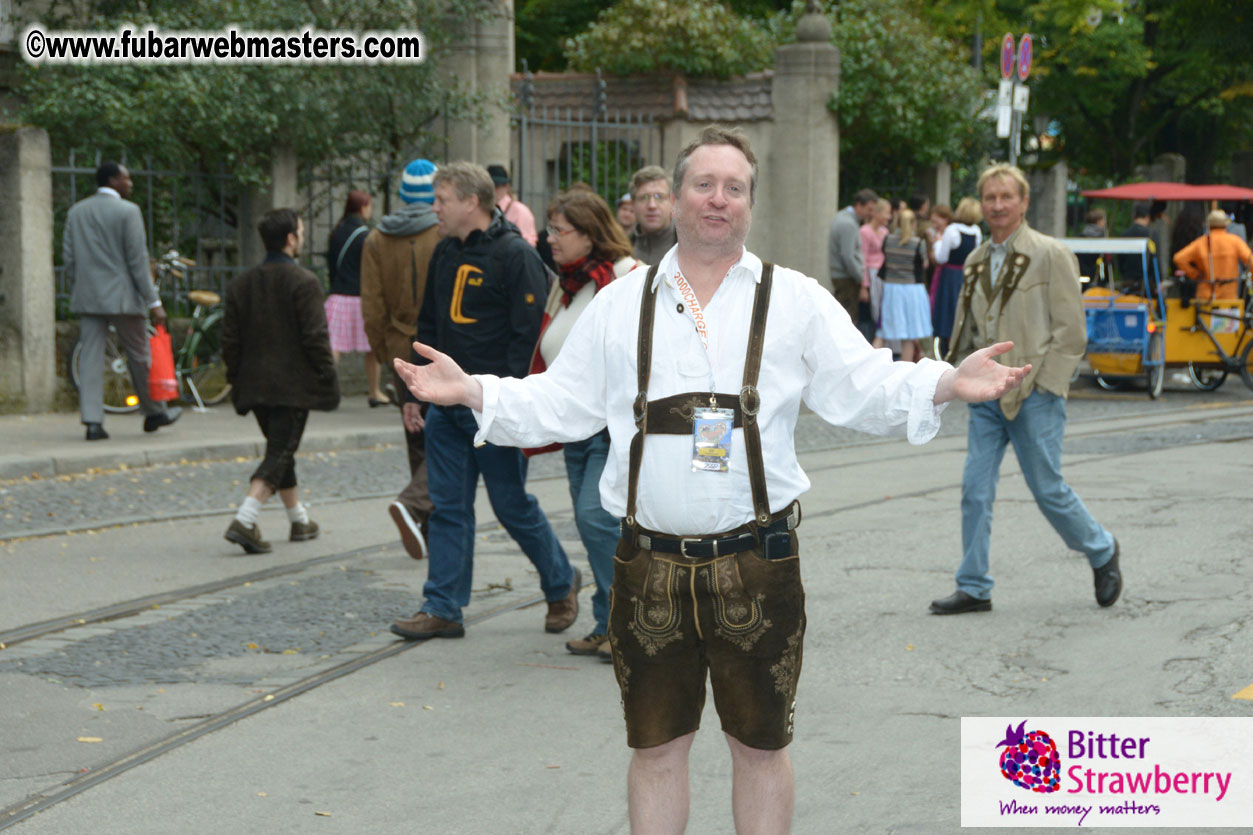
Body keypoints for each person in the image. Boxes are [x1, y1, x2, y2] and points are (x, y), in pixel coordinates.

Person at [393, 126, 1027, 831]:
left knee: (758, 748)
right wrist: (475, 390)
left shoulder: (795, 299)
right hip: (646, 563)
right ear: (672, 196)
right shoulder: (622, 302)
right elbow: (562, 400)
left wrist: (943, 381)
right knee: (655, 749)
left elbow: (862, 383)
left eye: (733, 187)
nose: (717, 200)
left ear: (750, 202)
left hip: (758, 561)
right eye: (703, 184)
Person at [389, 161, 580, 641]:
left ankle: (561, 582)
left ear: (470, 202)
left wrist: (509, 401)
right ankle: (443, 607)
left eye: (442, 199)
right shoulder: (444, 252)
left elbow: (529, 336)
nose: (434, 208)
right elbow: (428, 325)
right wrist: (416, 392)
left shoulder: (515, 255)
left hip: (494, 407)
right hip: (445, 410)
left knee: (510, 505)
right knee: (448, 507)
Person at [932, 163, 1121, 616]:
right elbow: (969, 329)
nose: (998, 205)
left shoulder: (1051, 253)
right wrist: (955, 378)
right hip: (987, 395)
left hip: (1035, 392)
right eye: (990, 198)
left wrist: (1049, 385)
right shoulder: (975, 260)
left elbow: (1071, 333)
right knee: (975, 488)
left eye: (1006, 197)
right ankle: (974, 584)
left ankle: (1101, 549)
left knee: (1047, 488)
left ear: (1024, 202)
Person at [533, 189, 639, 660]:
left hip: (614, 426)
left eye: (560, 230)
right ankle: (608, 620)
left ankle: (629, 624)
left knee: (596, 517)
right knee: (592, 520)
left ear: (589, 232)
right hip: (577, 425)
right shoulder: (567, 283)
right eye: (549, 229)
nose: (549, 238)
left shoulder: (627, 276)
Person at [221, 209, 339, 554]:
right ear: (291, 239)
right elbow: (315, 337)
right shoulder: (304, 282)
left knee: (280, 449)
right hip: (292, 388)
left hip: (254, 386)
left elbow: (229, 341)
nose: (301, 237)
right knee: (280, 451)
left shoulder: (241, 284)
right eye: (300, 231)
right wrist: (327, 377)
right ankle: (245, 518)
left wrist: (236, 378)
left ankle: (299, 520)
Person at [65, 161, 182, 441]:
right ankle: (154, 411)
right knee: (140, 355)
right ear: (113, 180)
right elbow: (137, 261)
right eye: (127, 178)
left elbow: (69, 259)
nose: (130, 183)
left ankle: (93, 422)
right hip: (123, 298)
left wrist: (82, 285)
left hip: (89, 296)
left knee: (91, 359)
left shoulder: (76, 211)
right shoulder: (129, 212)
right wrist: (154, 302)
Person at [361, 158, 441, 560]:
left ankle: (421, 520)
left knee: (417, 440)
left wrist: (383, 351)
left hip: (397, 346)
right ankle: (419, 510)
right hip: (441, 348)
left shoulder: (377, 238)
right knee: (447, 438)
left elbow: (372, 308)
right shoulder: (443, 232)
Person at [325, 190, 389, 407]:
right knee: (372, 348)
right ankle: (374, 392)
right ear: (363, 207)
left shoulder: (335, 232)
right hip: (361, 298)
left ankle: (328, 391)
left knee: (333, 347)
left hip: (338, 297)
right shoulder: (366, 236)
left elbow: (331, 266)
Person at [879, 208, 933, 362]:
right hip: (912, 289)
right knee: (909, 334)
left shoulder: (887, 240)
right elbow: (924, 265)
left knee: (882, 331)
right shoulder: (918, 243)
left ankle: (872, 366)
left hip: (891, 288)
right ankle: (906, 368)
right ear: (913, 223)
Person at [932, 197, 982, 357]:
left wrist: (937, 243)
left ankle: (944, 350)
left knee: (945, 312)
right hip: (966, 276)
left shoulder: (952, 230)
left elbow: (941, 258)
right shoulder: (977, 231)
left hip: (948, 277)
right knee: (959, 312)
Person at [1172, 210, 1253, 302]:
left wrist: (1195, 274)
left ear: (1209, 225)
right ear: (1226, 225)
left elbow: (1178, 258)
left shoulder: (1201, 242)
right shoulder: (1235, 242)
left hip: (1205, 298)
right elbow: (1250, 260)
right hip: (1229, 297)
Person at [828, 188, 878, 322]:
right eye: (869, 209)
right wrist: (860, 278)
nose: (871, 214)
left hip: (843, 276)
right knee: (848, 320)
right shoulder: (848, 224)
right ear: (859, 205)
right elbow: (848, 256)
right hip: (847, 279)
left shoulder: (842, 217)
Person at [629, 165, 677, 265]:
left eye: (659, 197)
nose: (652, 205)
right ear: (633, 204)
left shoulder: (690, 247)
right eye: (644, 197)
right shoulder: (623, 250)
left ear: (672, 202)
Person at [862, 198, 891, 349]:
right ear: (878, 213)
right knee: (874, 310)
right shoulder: (865, 231)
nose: (889, 217)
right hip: (872, 274)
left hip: (884, 275)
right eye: (887, 213)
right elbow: (863, 259)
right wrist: (864, 285)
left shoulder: (885, 231)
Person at [487, 164, 538, 247]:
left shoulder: (519, 210)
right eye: (489, 186)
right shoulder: (484, 210)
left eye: (496, 186)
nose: (492, 190)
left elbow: (528, 245)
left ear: (506, 187)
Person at [1117, 203, 1153, 294]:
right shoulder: (1150, 234)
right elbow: (1154, 258)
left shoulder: (1125, 234)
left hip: (1128, 279)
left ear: (1134, 216)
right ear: (1148, 217)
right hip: (1146, 282)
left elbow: (1120, 259)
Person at [1076, 207, 1109, 285]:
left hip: (1080, 276)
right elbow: (1104, 261)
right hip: (1097, 279)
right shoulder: (1102, 238)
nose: (1105, 223)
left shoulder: (1079, 237)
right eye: (1103, 220)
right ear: (1098, 221)